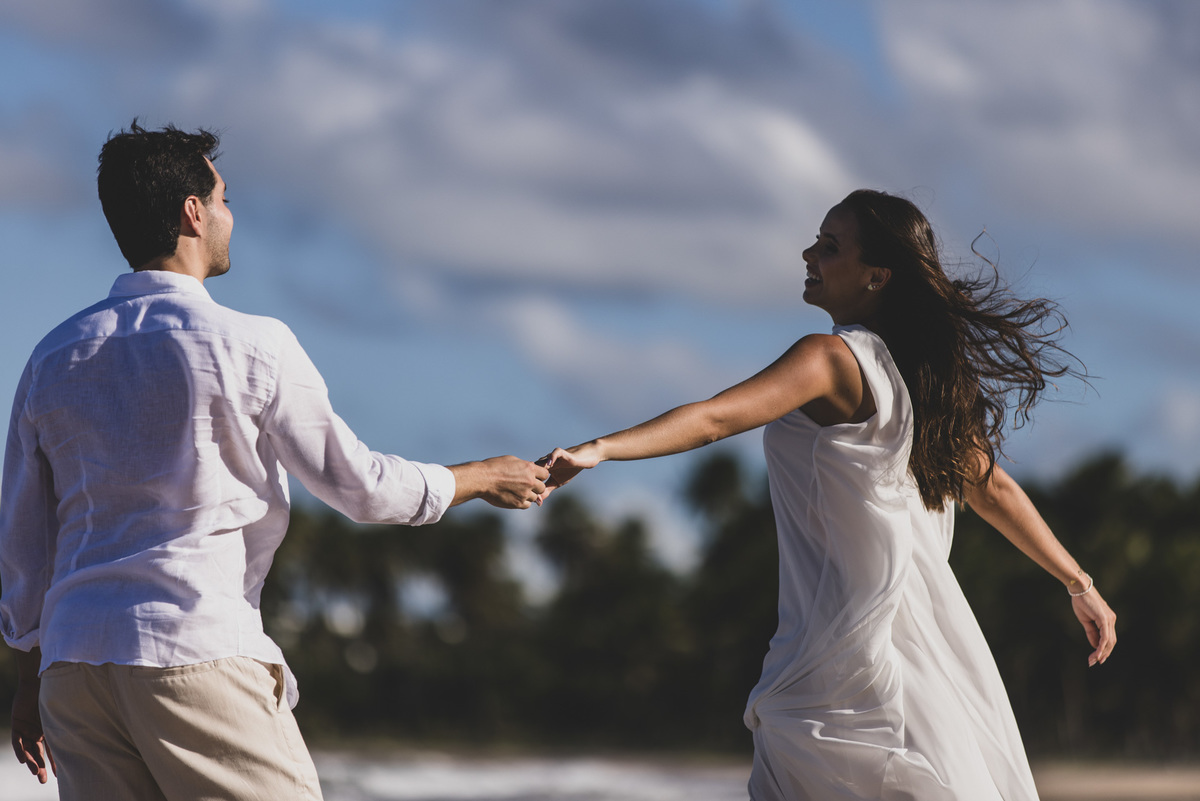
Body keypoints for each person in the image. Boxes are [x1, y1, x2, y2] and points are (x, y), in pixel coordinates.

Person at [1, 121, 550, 800]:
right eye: (224, 199)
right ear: (193, 212)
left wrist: (29, 679)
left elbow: (24, 542)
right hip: (192, 646)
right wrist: (481, 476)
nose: (230, 216)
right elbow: (363, 488)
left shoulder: (53, 356)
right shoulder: (252, 345)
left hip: (74, 667)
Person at [542, 189, 1117, 800]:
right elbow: (992, 487)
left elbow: (715, 418)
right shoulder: (932, 380)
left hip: (843, 644)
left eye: (830, 246)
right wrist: (1079, 583)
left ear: (877, 276)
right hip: (927, 637)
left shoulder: (833, 359)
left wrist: (601, 448)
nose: (808, 254)